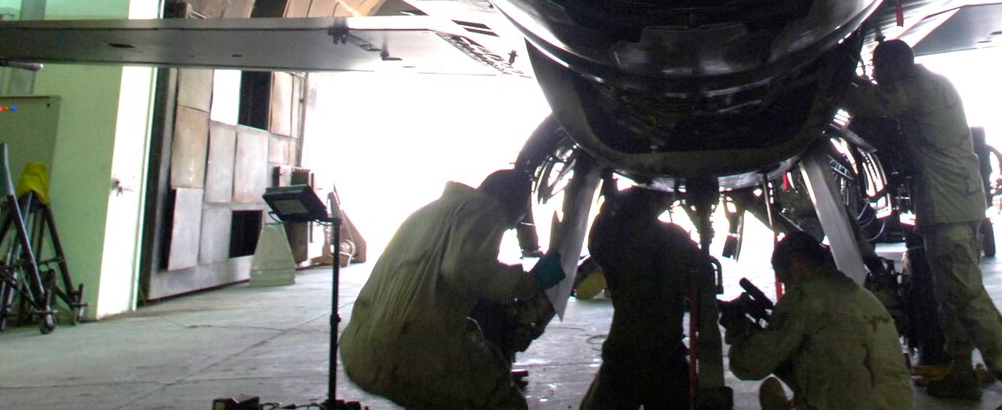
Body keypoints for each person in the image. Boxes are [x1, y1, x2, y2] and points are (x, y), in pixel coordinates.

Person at [842, 39, 1002, 410]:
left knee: (968, 299)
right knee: (950, 298)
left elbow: (873, 103)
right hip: (951, 205)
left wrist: (836, 79)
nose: (877, 77)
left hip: (949, 210)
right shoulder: (930, 82)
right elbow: (881, 95)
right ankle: (962, 373)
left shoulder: (916, 91)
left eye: (879, 70)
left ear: (896, 67)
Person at [340, 168, 560, 410]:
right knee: (507, 404)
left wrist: (486, 373)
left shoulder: (432, 211)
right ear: (514, 202)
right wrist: (531, 282)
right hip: (403, 354)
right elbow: (464, 268)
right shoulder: (486, 210)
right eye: (518, 217)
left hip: (359, 351)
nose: (512, 225)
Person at [724, 231, 913, 410]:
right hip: (894, 403)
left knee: (770, 392)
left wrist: (739, 330)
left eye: (785, 280)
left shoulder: (803, 299)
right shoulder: (858, 294)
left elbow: (749, 366)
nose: (787, 287)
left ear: (797, 267)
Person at [579, 186, 716, 410]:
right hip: (668, 353)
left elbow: (595, 244)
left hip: (626, 354)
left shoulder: (618, 242)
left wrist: (606, 208)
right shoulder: (676, 236)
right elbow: (700, 270)